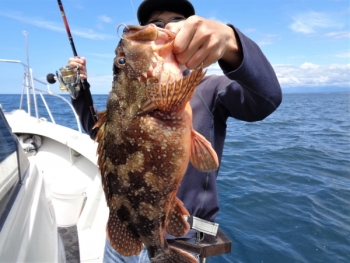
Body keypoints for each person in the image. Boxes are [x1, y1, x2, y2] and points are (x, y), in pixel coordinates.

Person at [67, 0, 282, 262]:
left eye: (176, 19)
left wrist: (231, 42)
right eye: (155, 23)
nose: (165, 26)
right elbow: (99, 132)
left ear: (195, 27)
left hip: (187, 235)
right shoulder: (127, 99)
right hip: (132, 225)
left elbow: (267, 99)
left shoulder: (210, 87)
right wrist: (79, 89)